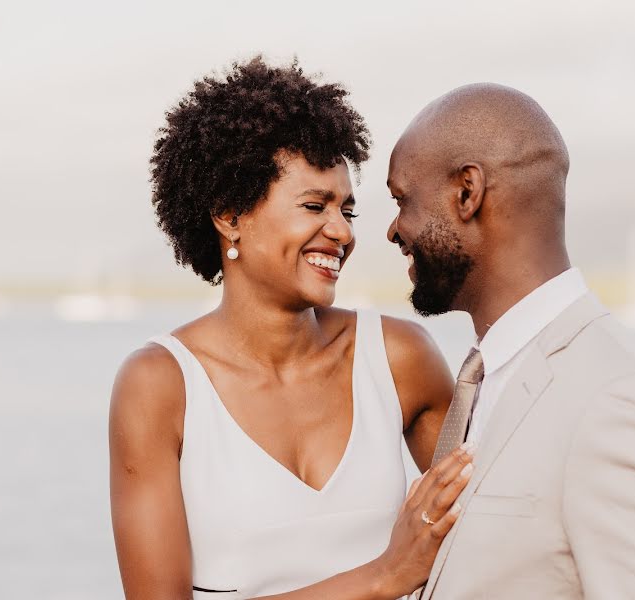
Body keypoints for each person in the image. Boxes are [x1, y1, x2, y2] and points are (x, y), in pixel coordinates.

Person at [109, 57, 473, 600]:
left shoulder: (399, 359)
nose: (340, 232)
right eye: (313, 205)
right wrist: (384, 577)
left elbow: (496, 534)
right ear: (231, 214)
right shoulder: (159, 387)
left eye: (347, 211)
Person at [386, 83, 635, 599]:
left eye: (402, 199)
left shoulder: (621, 401)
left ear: (467, 193)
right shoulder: (487, 376)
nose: (393, 230)